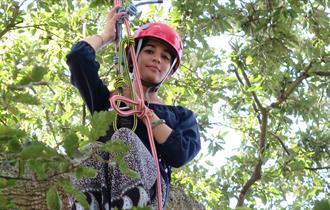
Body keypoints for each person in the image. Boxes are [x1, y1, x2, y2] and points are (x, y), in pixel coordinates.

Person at [66, 7, 201, 209]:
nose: (157, 59)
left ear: (170, 71)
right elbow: (78, 58)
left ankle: (129, 203)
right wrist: (106, 36)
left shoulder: (180, 115)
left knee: (125, 138)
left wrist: (145, 113)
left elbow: (180, 153)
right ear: (133, 57)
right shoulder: (111, 102)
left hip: (149, 192)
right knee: (90, 150)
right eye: (149, 51)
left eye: (165, 57)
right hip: (104, 189)